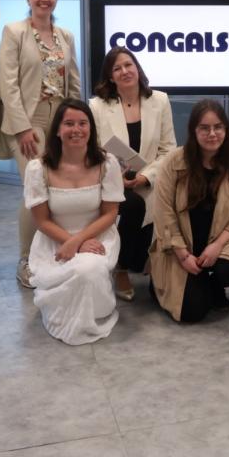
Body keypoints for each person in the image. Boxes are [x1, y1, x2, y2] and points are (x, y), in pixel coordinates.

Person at [0, 0, 81, 290]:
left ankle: (50, 251)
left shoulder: (65, 35)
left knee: (57, 187)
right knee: (34, 187)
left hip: (60, 118)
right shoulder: (15, 32)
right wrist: (21, 127)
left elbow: (73, 81)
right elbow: (8, 83)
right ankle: (25, 260)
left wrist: (76, 121)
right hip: (28, 120)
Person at [24, 99, 123, 345]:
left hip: (98, 237)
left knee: (87, 268)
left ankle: (95, 311)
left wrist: (78, 241)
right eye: (69, 123)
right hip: (55, 240)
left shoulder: (107, 163)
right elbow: (42, 221)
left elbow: (110, 213)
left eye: (82, 123)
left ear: (91, 128)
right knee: (80, 272)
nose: (76, 129)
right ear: (57, 130)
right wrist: (71, 242)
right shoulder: (38, 168)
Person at [148, 99, 229, 323]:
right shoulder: (173, 162)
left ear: (226, 129)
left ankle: (211, 281)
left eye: (218, 127)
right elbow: (164, 214)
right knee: (190, 313)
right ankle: (172, 281)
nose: (212, 133)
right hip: (179, 247)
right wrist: (183, 255)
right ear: (193, 131)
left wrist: (217, 246)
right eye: (204, 128)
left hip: (220, 242)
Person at [90, 47, 176, 302]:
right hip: (111, 180)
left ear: (137, 68)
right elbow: (93, 150)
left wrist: (146, 177)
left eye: (128, 65)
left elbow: (168, 149)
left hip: (150, 179)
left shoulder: (160, 100)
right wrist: (115, 175)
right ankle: (121, 268)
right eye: (117, 68)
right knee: (133, 205)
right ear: (110, 77)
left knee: (151, 203)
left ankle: (142, 260)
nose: (125, 71)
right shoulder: (97, 106)